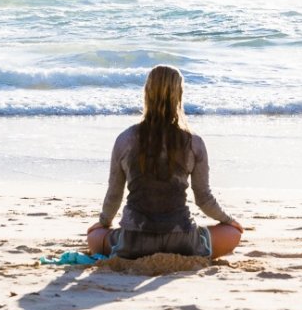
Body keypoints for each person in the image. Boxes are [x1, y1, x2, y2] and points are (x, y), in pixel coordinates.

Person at [87, 65, 244, 259]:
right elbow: (203, 198)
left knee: (93, 236)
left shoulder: (125, 139)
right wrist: (229, 220)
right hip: (181, 240)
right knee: (233, 233)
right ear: (179, 94)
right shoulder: (193, 142)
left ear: (147, 93)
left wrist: (103, 223)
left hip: (133, 241)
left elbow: (114, 195)